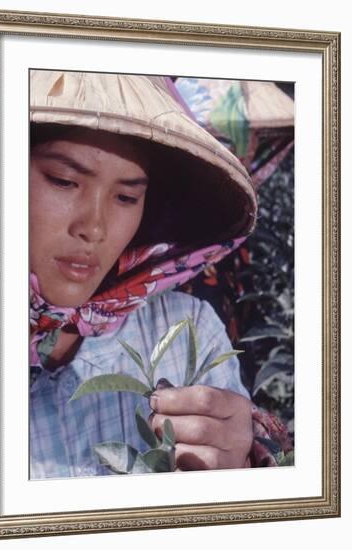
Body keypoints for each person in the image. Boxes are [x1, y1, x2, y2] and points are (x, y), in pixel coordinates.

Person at [29, 70, 292, 479]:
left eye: (126, 196)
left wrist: (239, 462)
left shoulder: (185, 328)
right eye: (64, 181)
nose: (94, 228)